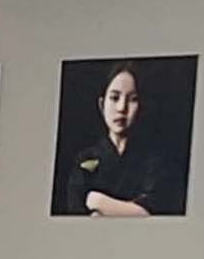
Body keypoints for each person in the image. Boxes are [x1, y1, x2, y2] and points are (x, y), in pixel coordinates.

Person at [58, 60, 185, 217]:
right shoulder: (84, 159)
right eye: (114, 98)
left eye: (132, 99)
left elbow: (149, 213)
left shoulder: (156, 162)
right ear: (102, 104)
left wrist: (98, 201)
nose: (121, 108)